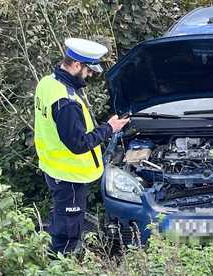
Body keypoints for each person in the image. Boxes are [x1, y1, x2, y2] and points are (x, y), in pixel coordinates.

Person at [34, 38, 129, 254]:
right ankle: (59, 265)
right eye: (89, 70)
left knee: (63, 219)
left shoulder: (48, 83)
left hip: (54, 166)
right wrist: (109, 128)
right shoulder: (66, 102)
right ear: (76, 65)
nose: (91, 75)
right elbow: (78, 144)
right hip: (70, 176)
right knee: (67, 234)